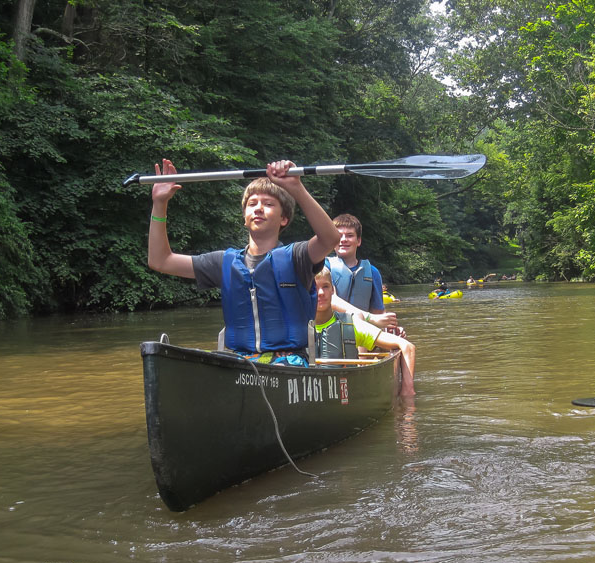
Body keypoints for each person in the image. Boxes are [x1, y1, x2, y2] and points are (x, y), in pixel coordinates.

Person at [147, 158, 339, 366]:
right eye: (252, 204)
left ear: (284, 218)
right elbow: (160, 260)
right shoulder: (224, 262)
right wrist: (160, 203)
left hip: (289, 361)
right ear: (244, 217)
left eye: (268, 204)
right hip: (239, 361)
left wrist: (296, 187)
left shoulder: (297, 257)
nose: (258, 209)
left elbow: (330, 238)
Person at [313, 267, 416, 396]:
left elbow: (407, 346)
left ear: (333, 291)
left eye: (326, 286)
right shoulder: (294, 329)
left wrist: (407, 392)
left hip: (346, 394)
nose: (321, 292)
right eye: (314, 287)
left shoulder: (351, 325)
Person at [327, 214, 405, 337]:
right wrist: (370, 318)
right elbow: (331, 299)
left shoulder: (372, 272)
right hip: (330, 334)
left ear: (359, 241)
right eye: (339, 235)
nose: (343, 239)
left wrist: (388, 328)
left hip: (362, 335)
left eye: (350, 235)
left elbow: (378, 314)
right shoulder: (324, 267)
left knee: (398, 339)